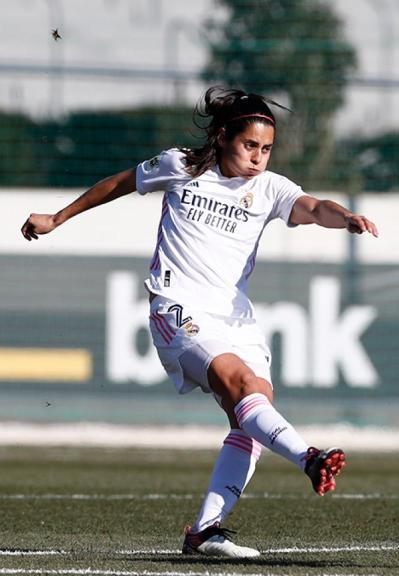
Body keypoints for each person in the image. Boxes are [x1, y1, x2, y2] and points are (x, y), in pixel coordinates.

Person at [20, 87, 379, 558]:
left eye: (266, 149)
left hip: (234, 316)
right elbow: (120, 182)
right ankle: (309, 457)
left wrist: (346, 216)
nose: (258, 158)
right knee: (240, 382)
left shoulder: (269, 189)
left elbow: (313, 208)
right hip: (176, 305)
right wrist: (58, 217)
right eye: (249, 145)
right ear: (223, 136)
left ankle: (205, 531)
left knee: (252, 409)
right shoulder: (183, 166)